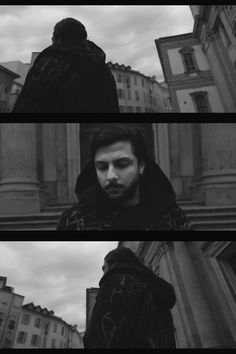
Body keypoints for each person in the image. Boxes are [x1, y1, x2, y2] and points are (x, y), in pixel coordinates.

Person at [57, 124, 193, 230]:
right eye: (102, 167)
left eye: (122, 164)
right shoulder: (73, 221)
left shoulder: (171, 216)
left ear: (140, 166)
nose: (111, 176)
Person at [13, 18, 119, 112]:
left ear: (58, 38)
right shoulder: (104, 71)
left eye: (53, 36)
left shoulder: (48, 64)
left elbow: (27, 104)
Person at [83, 246, 177, 348]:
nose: (103, 271)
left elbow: (95, 337)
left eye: (103, 267)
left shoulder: (114, 284)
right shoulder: (157, 289)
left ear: (113, 263)